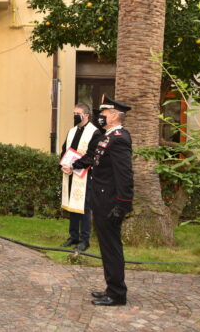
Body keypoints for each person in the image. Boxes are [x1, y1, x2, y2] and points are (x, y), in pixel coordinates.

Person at [63, 94, 133, 306]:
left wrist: (122, 205)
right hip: (102, 201)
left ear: (113, 116)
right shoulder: (107, 136)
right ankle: (111, 287)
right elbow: (92, 158)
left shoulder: (119, 138)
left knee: (111, 247)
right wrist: (73, 165)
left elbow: (125, 175)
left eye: (103, 114)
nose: (100, 117)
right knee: (106, 246)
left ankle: (118, 293)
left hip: (111, 202)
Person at [59, 103, 100, 252]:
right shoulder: (72, 131)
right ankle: (73, 237)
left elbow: (91, 156)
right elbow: (64, 150)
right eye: (73, 113)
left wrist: (74, 165)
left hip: (85, 175)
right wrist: (63, 165)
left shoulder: (94, 133)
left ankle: (84, 240)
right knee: (72, 207)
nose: (75, 115)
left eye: (78, 113)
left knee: (83, 208)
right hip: (70, 174)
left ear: (86, 115)